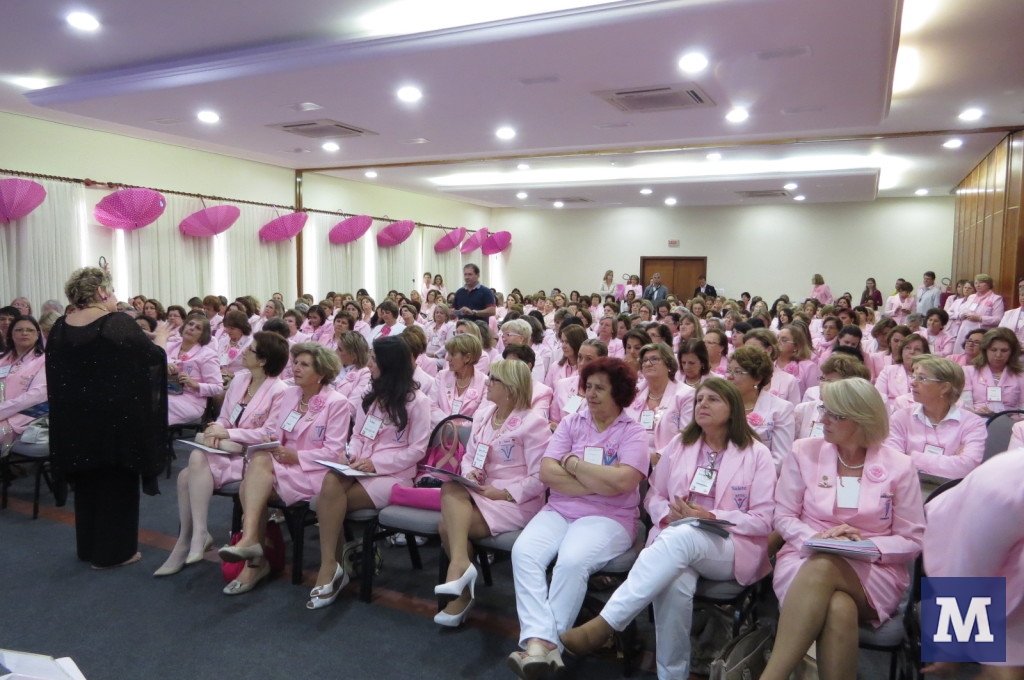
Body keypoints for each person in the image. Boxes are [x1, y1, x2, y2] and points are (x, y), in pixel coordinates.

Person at [560, 378, 776, 680]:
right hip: (675, 537)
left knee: (684, 537)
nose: (702, 405)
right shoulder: (680, 444)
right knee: (674, 582)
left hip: (731, 544)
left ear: (733, 409)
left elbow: (764, 519)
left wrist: (710, 515)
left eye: (713, 400)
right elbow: (654, 496)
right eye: (699, 399)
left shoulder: (756, 453)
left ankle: (608, 622)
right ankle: (671, 675)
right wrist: (668, 514)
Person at [759, 378, 925, 680]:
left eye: (834, 414)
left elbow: (913, 539)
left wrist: (867, 546)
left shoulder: (899, 466)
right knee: (838, 608)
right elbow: (783, 516)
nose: (822, 419)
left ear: (861, 419)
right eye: (825, 410)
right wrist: (815, 538)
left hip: (874, 571)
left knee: (824, 567)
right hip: (803, 556)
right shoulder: (804, 451)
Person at [507, 358, 648, 678]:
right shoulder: (572, 423)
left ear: (620, 393)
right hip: (560, 509)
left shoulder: (634, 432)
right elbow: (546, 471)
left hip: (610, 518)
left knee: (571, 560)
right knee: (524, 552)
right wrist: (599, 482)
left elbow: (625, 482)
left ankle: (540, 647)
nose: (591, 394)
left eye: (601, 388)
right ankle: (543, 646)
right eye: (589, 387)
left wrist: (573, 465)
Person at [46, 264, 170, 569]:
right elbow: (152, 358)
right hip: (114, 423)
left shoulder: (61, 325)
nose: (114, 296)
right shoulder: (114, 322)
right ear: (101, 292)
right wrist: (163, 337)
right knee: (116, 488)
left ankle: (89, 547)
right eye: (112, 290)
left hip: (76, 421)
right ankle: (114, 553)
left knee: (88, 488)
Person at [307, 336, 431, 609]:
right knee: (330, 481)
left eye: (374, 359)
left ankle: (330, 568)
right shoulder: (374, 398)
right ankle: (333, 565)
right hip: (361, 469)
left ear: (388, 364)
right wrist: (351, 454)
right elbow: (361, 435)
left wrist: (377, 464)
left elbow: (417, 450)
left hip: (394, 476)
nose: (369, 363)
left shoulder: (417, 401)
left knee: (329, 503)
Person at [217, 343, 351, 595]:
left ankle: (253, 551)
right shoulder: (290, 394)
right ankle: (251, 546)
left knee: (253, 482)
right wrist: (273, 448)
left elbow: (334, 452)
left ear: (321, 372)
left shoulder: (337, 402)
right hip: (279, 466)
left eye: (304, 364)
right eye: (296, 362)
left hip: (313, 472)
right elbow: (275, 434)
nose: (296, 368)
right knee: (258, 461)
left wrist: (296, 456)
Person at [154, 332, 290, 576]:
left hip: (253, 458)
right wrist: (218, 429)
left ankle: (191, 539)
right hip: (224, 451)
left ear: (263, 360)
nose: (244, 352)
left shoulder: (279, 390)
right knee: (192, 465)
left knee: (188, 473)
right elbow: (225, 416)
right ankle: (194, 537)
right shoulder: (240, 379)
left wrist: (229, 434)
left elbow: (269, 433)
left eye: (251, 349)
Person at [435, 360, 553, 626]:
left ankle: (461, 586)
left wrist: (503, 493)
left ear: (510, 388)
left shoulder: (533, 423)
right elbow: (469, 456)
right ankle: (462, 566)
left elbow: (540, 477)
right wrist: (470, 473)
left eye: (494, 380)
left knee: (447, 527)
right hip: (480, 490)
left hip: (514, 501)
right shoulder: (485, 414)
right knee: (451, 485)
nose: (487, 383)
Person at [923, 452, 1024, 675]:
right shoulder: (1002, 487)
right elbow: (966, 572)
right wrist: (951, 644)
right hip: (989, 585)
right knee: (1007, 674)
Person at [883, 355, 986, 481]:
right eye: (914, 376)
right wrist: (951, 462)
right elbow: (892, 461)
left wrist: (911, 457)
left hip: (952, 493)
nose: (913, 383)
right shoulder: (900, 418)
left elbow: (967, 466)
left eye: (922, 378)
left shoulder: (973, 423)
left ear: (944, 387)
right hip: (906, 487)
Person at [725, 345, 795, 470]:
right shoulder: (721, 403)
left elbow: (781, 459)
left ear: (757, 378)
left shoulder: (781, 408)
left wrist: (750, 475)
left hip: (761, 476)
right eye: (729, 370)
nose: (729, 376)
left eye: (737, 371)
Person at [166, 313, 223, 425]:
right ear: (184, 327)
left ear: (203, 335)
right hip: (167, 393)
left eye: (198, 328)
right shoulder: (169, 346)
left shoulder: (207, 355)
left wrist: (194, 384)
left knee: (157, 403)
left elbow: (218, 388)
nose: (192, 328)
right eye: (190, 324)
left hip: (190, 402)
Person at [0, 315, 48, 441]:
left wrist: (2, 410)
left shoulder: (44, 360)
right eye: (19, 330)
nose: (24, 333)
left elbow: (37, 395)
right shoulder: (2, 359)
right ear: (11, 334)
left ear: (38, 335)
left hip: (22, 417)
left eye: (30, 330)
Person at [962, 327, 1024, 414]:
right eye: (993, 350)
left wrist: (1000, 418)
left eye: (1004, 350)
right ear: (985, 350)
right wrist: (978, 414)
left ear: (1012, 352)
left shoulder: (1021, 375)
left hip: (1010, 424)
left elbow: (1022, 412)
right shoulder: (968, 372)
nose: (998, 355)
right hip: (977, 422)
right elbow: (964, 407)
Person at [874, 332, 929, 412]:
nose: (912, 352)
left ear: (924, 354)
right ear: (901, 351)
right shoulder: (888, 371)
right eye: (907, 348)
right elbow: (878, 398)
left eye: (917, 349)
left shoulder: (930, 375)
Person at [954, 273, 1005, 348]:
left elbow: (998, 319)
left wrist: (980, 318)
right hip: (965, 329)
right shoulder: (971, 297)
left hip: (982, 331)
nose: (977, 285)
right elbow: (963, 310)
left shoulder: (996, 299)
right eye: (976, 283)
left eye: (981, 283)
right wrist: (962, 314)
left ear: (989, 284)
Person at [999, 276, 1024, 345]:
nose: (1023, 298)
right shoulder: (1009, 313)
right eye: (1021, 295)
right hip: (1009, 350)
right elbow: (1000, 332)